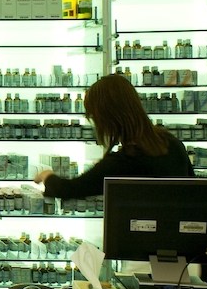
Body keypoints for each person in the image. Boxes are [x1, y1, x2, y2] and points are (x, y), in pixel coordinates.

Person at [33, 73, 194, 199]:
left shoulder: (124, 161)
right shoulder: (173, 144)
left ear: (107, 117)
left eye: (94, 117)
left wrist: (47, 175)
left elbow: (70, 189)